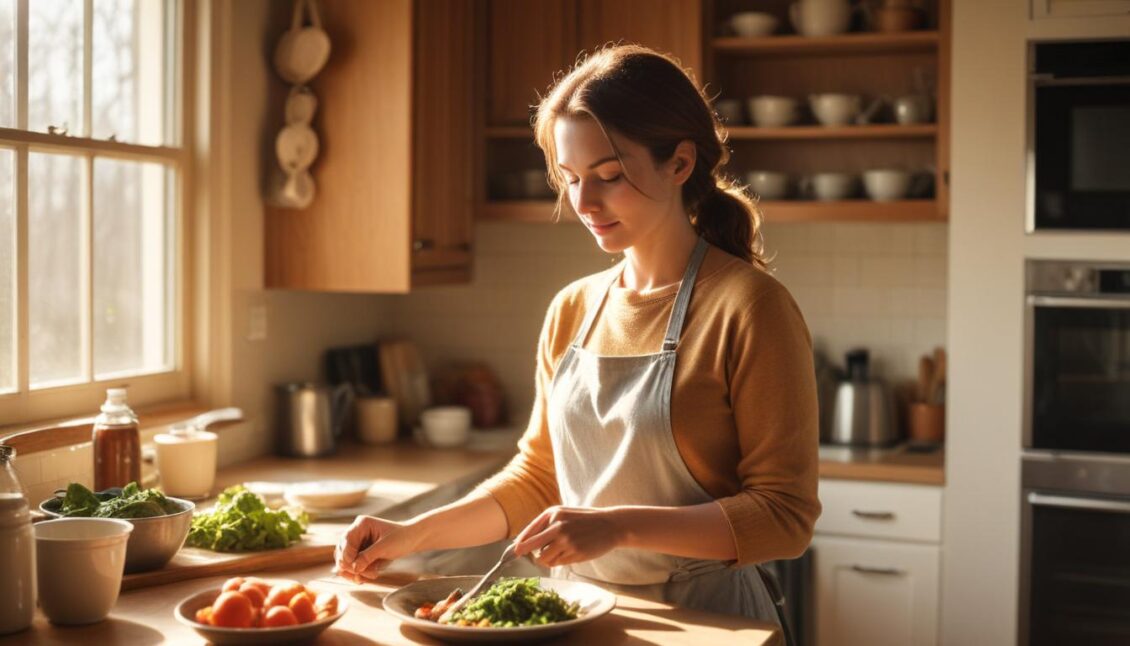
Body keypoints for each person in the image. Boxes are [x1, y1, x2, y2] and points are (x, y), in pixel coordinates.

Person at [334, 44, 820, 626]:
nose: (583, 203)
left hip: (707, 620)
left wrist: (615, 526)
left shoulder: (749, 307)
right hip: (579, 616)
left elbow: (784, 517)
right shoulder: (574, 308)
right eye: (569, 179)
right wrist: (410, 535)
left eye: (609, 176)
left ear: (680, 164)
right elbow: (540, 477)